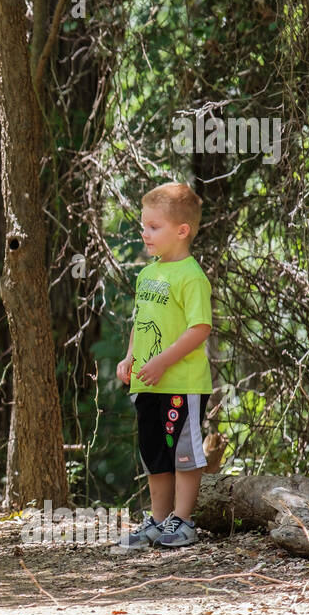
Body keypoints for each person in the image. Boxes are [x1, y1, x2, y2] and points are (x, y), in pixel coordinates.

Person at [115, 182, 214, 550]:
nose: (145, 233)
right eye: (144, 225)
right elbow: (140, 322)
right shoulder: (147, 275)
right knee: (154, 454)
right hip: (147, 384)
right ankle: (157, 522)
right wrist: (130, 358)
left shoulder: (191, 276)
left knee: (183, 454)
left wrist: (161, 362)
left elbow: (200, 329)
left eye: (154, 227)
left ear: (182, 230)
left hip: (181, 385)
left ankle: (184, 521)